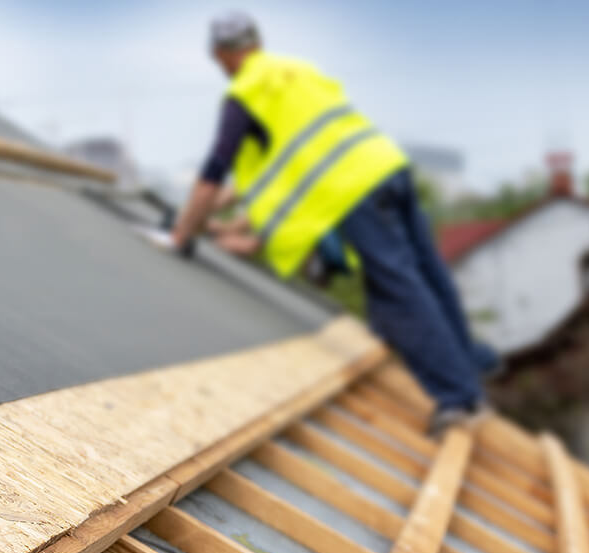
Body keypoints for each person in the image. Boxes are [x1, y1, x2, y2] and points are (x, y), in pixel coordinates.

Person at [170, 11, 495, 438]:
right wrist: (228, 221)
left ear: (221, 55)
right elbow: (282, 174)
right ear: (257, 42)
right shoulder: (296, 71)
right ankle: (469, 374)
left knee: (399, 294)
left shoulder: (246, 93)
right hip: (387, 166)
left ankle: (458, 399)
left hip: (354, 192)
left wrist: (180, 234)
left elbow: (213, 175)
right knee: (429, 275)